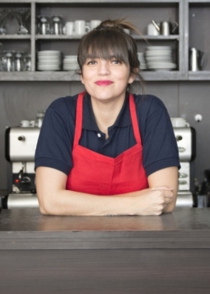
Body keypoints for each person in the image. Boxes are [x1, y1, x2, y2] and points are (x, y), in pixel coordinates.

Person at [35, 19, 179, 216]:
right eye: (92, 62)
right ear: (82, 75)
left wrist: (73, 202)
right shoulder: (61, 113)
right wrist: (135, 204)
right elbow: (49, 202)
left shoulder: (150, 111)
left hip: (141, 242)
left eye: (115, 61)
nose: (103, 71)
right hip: (73, 242)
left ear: (132, 74)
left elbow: (165, 201)